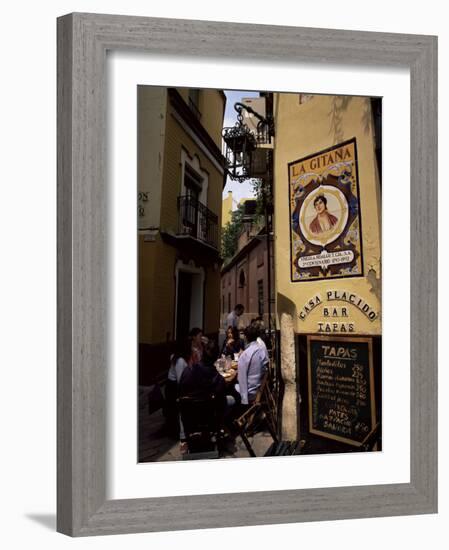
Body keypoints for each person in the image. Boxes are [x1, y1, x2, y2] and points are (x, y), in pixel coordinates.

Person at [236, 324, 269, 406]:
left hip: (250, 393)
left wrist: (244, 401)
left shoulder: (245, 355)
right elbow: (266, 369)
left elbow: (242, 380)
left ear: (246, 338)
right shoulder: (261, 350)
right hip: (259, 389)